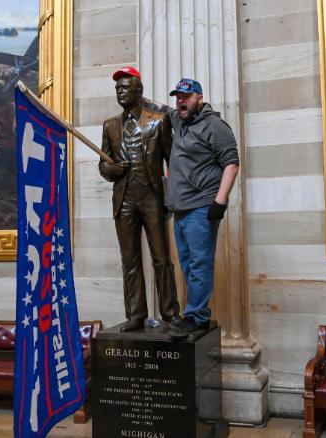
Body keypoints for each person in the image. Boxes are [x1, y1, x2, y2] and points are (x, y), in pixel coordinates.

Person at [98, 66, 181, 332]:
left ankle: (170, 313)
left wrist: (173, 200)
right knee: (130, 261)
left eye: (125, 87)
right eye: (117, 88)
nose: (120, 91)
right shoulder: (110, 125)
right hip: (124, 203)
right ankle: (136, 314)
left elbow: (173, 164)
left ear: (139, 90)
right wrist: (112, 169)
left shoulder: (158, 121)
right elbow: (103, 166)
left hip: (152, 199)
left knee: (161, 258)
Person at [161, 78, 240, 338]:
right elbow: (160, 109)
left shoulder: (214, 125)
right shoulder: (179, 121)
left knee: (199, 263)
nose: (181, 100)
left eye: (186, 96)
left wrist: (220, 201)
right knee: (187, 264)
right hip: (180, 209)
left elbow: (231, 163)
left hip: (201, 207)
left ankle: (195, 316)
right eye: (178, 96)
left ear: (199, 98)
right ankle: (198, 314)